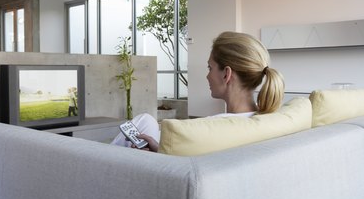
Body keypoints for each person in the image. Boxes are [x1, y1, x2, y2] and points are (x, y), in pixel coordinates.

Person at [111, 31, 285, 152]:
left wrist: (158, 153)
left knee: (143, 121)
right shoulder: (270, 121)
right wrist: (159, 149)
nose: (207, 76)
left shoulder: (205, 129)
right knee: (147, 121)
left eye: (210, 68)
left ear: (226, 74)